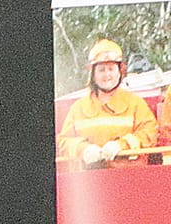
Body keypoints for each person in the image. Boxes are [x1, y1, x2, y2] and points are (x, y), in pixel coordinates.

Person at [58, 38, 159, 167]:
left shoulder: (136, 104)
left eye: (111, 69)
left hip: (129, 178)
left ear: (120, 71)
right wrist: (83, 150)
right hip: (90, 180)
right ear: (93, 74)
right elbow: (64, 141)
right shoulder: (78, 108)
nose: (107, 75)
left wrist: (122, 145)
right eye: (101, 70)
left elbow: (150, 132)